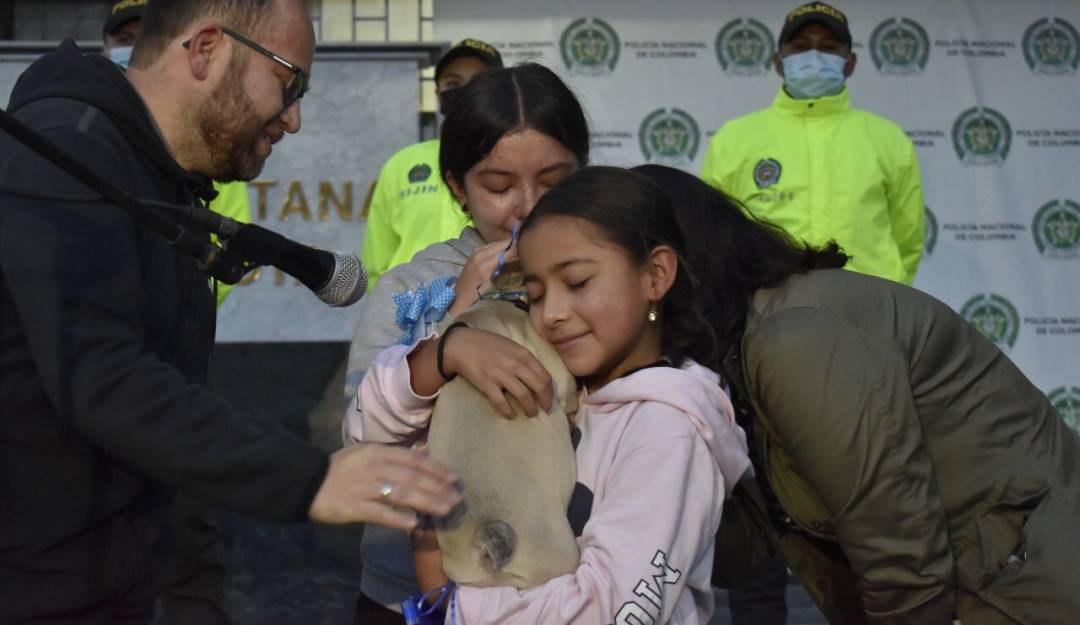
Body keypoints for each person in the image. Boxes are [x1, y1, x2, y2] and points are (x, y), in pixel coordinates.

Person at [0, 0, 460, 621]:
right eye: (288, 81)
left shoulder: (155, 176)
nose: (293, 118)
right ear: (207, 49)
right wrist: (311, 478)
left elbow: (162, 399)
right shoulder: (66, 152)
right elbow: (103, 377)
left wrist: (194, 584)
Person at [635, 165, 1080, 625]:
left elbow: (905, 558)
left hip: (1031, 589)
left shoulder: (793, 339)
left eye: (583, 281)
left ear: (662, 271)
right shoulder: (725, 358)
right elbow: (747, 550)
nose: (564, 312)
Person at [349, 166, 753, 625]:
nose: (553, 314)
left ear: (656, 275)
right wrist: (441, 355)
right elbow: (366, 438)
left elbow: (613, 610)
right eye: (536, 294)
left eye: (578, 283)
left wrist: (453, 605)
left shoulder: (669, 428)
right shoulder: (556, 384)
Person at [343, 63, 590, 623]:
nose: (527, 206)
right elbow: (360, 444)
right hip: (409, 589)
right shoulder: (411, 288)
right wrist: (457, 319)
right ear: (457, 186)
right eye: (498, 186)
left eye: (554, 182)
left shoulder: (605, 281)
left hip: (564, 587)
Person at [700, 1, 925, 286]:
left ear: (850, 62)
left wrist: (891, 293)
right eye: (800, 46)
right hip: (768, 307)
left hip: (869, 307)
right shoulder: (733, 139)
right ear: (778, 62)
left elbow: (908, 239)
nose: (814, 57)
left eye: (829, 47)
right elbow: (713, 234)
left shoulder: (889, 139)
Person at [102, 0, 255, 308]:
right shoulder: (89, 128)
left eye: (145, 38)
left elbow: (233, 246)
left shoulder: (207, 140)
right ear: (104, 48)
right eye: (124, 41)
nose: (133, 51)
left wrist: (185, 302)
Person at [361, 38, 503, 290]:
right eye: (453, 83)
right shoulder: (403, 163)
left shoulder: (513, 157)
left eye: (477, 81)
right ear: (438, 95)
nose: (464, 91)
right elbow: (377, 261)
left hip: (490, 304)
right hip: (411, 310)